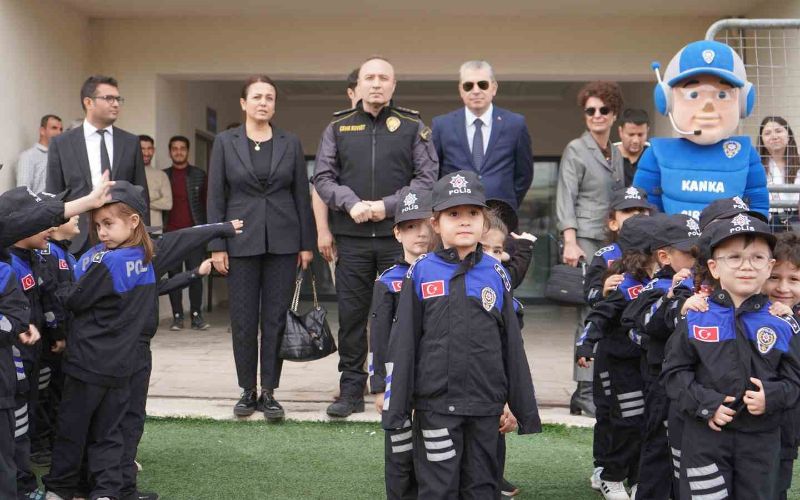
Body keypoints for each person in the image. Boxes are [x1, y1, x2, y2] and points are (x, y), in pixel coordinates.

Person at [381, 170, 541, 499]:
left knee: (482, 488)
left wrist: (516, 404)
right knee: (438, 488)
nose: (464, 221)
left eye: (472, 214)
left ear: (484, 222)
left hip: (486, 409)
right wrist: (396, 405)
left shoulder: (496, 273)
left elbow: (511, 343)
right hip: (436, 408)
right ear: (436, 224)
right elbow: (404, 343)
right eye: (453, 214)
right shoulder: (421, 271)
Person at [313, 56, 438, 418]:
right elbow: (323, 178)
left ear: (394, 86)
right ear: (359, 84)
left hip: (395, 237)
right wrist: (350, 204)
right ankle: (351, 390)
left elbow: (426, 179)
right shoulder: (338, 127)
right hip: (351, 238)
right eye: (370, 77)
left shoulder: (413, 126)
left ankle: (402, 386)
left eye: (384, 77)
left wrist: (386, 206)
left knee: (402, 313)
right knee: (352, 316)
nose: (377, 83)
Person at [662, 215, 800, 500]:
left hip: (762, 440)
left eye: (757, 257)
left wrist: (772, 396)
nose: (746, 266)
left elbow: (795, 379)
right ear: (714, 267)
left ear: (769, 266)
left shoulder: (782, 323)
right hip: (704, 438)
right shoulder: (696, 316)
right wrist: (705, 404)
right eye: (734, 257)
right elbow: (674, 373)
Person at [208, 75, 315, 421]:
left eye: (269, 97)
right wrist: (216, 244)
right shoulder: (225, 142)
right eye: (257, 97)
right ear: (243, 103)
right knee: (242, 319)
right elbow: (215, 196)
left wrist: (306, 244)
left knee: (275, 320)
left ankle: (269, 390)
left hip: (283, 241)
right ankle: (246, 390)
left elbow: (302, 194)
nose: (263, 102)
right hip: (239, 241)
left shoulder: (290, 142)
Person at [576, 214, 663, 500]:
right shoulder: (623, 284)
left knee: (647, 422)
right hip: (619, 364)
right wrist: (586, 346)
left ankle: (639, 478)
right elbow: (598, 314)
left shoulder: (666, 282)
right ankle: (610, 474)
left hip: (648, 366)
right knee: (622, 421)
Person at [633, 40, 769, 220]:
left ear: (744, 101)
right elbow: (643, 209)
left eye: (722, 95)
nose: (708, 106)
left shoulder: (744, 154)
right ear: (666, 100)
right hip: (674, 246)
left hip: (727, 246)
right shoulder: (657, 153)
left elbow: (758, 206)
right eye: (693, 94)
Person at [556, 81, 625, 417]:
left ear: (613, 115)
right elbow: (565, 196)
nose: (597, 115)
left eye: (604, 110)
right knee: (589, 312)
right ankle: (584, 392)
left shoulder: (617, 151)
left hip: (613, 241)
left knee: (610, 310)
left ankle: (597, 387)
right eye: (590, 110)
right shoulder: (575, 149)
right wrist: (569, 240)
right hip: (584, 239)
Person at [619, 214, 698, 500]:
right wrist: (674, 297)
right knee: (658, 445)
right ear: (664, 256)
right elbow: (643, 325)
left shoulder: (706, 286)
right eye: (689, 254)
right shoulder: (656, 288)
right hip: (661, 381)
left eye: (700, 253)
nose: (695, 260)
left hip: (693, 381)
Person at [369, 186, 432, 500]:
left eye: (425, 225)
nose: (419, 234)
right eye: (410, 227)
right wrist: (379, 385)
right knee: (399, 446)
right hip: (398, 380)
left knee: (433, 450)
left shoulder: (442, 275)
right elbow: (378, 338)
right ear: (397, 233)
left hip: (434, 377)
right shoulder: (389, 280)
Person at [46, 75, 149, 255]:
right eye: (109, 98)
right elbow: (53, 194)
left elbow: (140, 192)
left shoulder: (130, 142)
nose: (116, 104)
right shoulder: (62, 143)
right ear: (88, 102)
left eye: (118, 99)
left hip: (123, 239)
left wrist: (141, 237)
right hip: (76, 239)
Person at [432, 60, 533, 216]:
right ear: (460, 90)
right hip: (457, 215)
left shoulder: (515, 124)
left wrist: (507, 202)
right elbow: (434, 173)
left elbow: (524, 175)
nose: (476, 90)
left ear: (494, 88)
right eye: (468, 86)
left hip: (500, 216)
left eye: (482, 84)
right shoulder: (442, 125)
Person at [759, 231, 800, 500]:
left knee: (779, 483)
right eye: (775, 277)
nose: (783, 288)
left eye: (794, 279)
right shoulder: (751, 312)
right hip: (756, 424)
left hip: (789, 422)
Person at [313, 68, 360, 264]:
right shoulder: (336, 130)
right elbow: (320, 184)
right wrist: (323, 230)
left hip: (390, 235)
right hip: (346, 234)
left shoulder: (399, 129)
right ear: (351, 93)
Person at [164, 135, 210, 331]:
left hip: (194, 235)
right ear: (170, 152)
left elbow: (206, 205)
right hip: (171, 235)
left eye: (182, 148)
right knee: (174, 278)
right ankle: (177, 317)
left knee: (196, 276)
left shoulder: (199, 175)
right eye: (175, 148)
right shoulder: (164, 175)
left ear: (188, 151)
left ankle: (196, 315)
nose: (179, 151)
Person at [758, 116, 800, 232]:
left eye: (778, 131)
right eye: (767, 133)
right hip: (767, 221)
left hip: (797, 220)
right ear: (761, 140)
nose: (774, 136)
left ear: (788, 135)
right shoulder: (756, 166)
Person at [16, 115, 63, 193]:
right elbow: (23, 191)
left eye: (61, 129)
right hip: (38, 204)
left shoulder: (60, 157)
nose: (59, 132)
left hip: (59, 203)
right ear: (42, 131)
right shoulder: (28, 156)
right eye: (54, 128)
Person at [138, 135, 172, 231]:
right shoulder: (128, 172)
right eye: (142, 149)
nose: (146, 153)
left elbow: (167, 203)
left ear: (153, 150)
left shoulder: (161, 175)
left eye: (149, 148)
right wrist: (154, 199)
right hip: (132, 230)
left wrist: (144, 202)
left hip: (155, 230)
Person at [614, 109, 649, 186]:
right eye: (631, 135)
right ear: (620, 132)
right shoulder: (609, 157)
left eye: (640, 135)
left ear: (647, 131)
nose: (635, 141)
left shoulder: (653, 157)